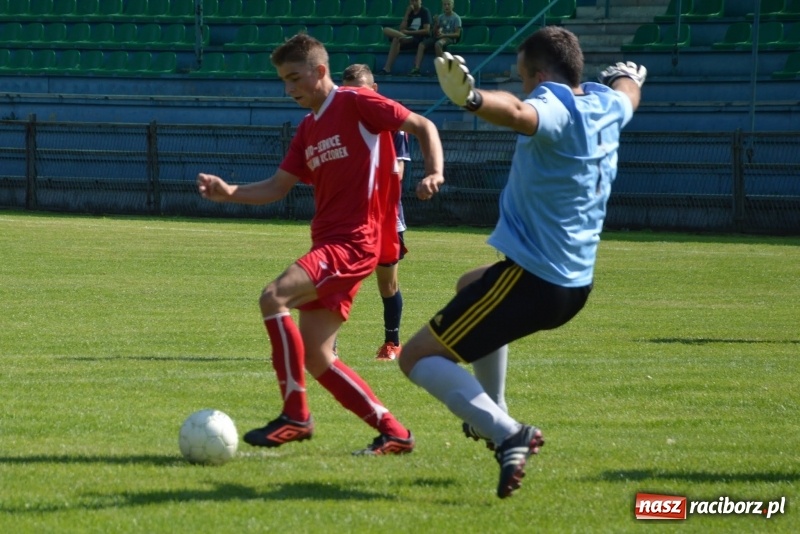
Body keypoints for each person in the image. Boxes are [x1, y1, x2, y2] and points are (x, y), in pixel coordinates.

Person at [397, 26, 646, 497]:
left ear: (539, 74)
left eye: (523, 77)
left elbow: (515, 111)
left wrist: (471, 100)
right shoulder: (606, 106)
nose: (523, 86)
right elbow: (628, 93)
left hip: (536, 279)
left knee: (416, 357)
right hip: (572, 284)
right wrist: (627, 76)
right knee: (471, 282)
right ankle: (496, 407)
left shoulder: (556, 106)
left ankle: (507, 431)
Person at [196, 33, 445, 456]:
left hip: (355, 241)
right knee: (315, 354)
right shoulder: (308, 128)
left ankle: (296, 414)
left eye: (295, 78)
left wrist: (434, 171)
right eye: (283, 81)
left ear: (320, 71)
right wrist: (230, 191)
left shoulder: (355, 102)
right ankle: (394, 432)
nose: (288, 89)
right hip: (331, 243)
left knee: (273, 296)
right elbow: (277, 186)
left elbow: (423, 125)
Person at [341, 63, 409, 362]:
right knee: (338, 278)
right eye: (350, 92)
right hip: (346, 214)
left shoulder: (392, 121)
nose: (358, 98)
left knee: (387, 283)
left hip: (384, 215)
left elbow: (399, 172)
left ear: (375, 89)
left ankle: (392, 343)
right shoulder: (338, 121)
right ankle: (327, 344)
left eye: (362, 91)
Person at [378, 0, 433, 76]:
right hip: (406, 36)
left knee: (397, 38)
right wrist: (407, 13)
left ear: (420, 1)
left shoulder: (424, 11)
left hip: (418, 37)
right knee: (389, 33)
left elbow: (427, 30)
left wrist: (409, 33)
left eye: (416, 1)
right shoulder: (410, 12)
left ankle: (405, 37)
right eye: (412, 1)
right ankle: (387, 69)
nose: (413, 3)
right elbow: (402, 28)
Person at [410, 0, 462, 76]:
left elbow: (457, 34)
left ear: (452, 6)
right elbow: (433, 33)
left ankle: (442, 69)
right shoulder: (440, 17)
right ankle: (416, 68)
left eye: (448, 4)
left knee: (438, 44)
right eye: (445, 5)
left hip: (449, 38)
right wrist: (436, 23)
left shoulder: (456, 18)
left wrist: (444, 35)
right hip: (439, 36)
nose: (446, 6)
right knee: (422, 45)